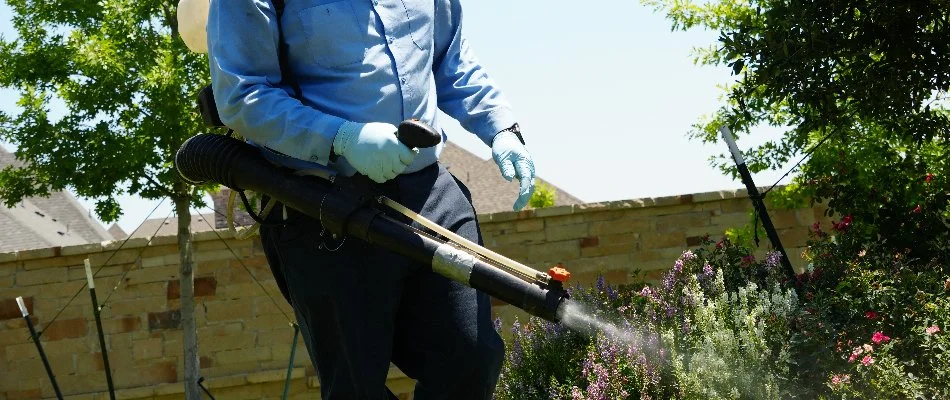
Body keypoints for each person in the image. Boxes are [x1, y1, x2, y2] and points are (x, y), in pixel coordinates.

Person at [206, 0, 536, 398]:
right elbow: (243, 95)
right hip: (322, 207)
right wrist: (343, 138)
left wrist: (500, 125)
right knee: (356, 388)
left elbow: (451, 57)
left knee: (471, 360)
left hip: (430, 193)